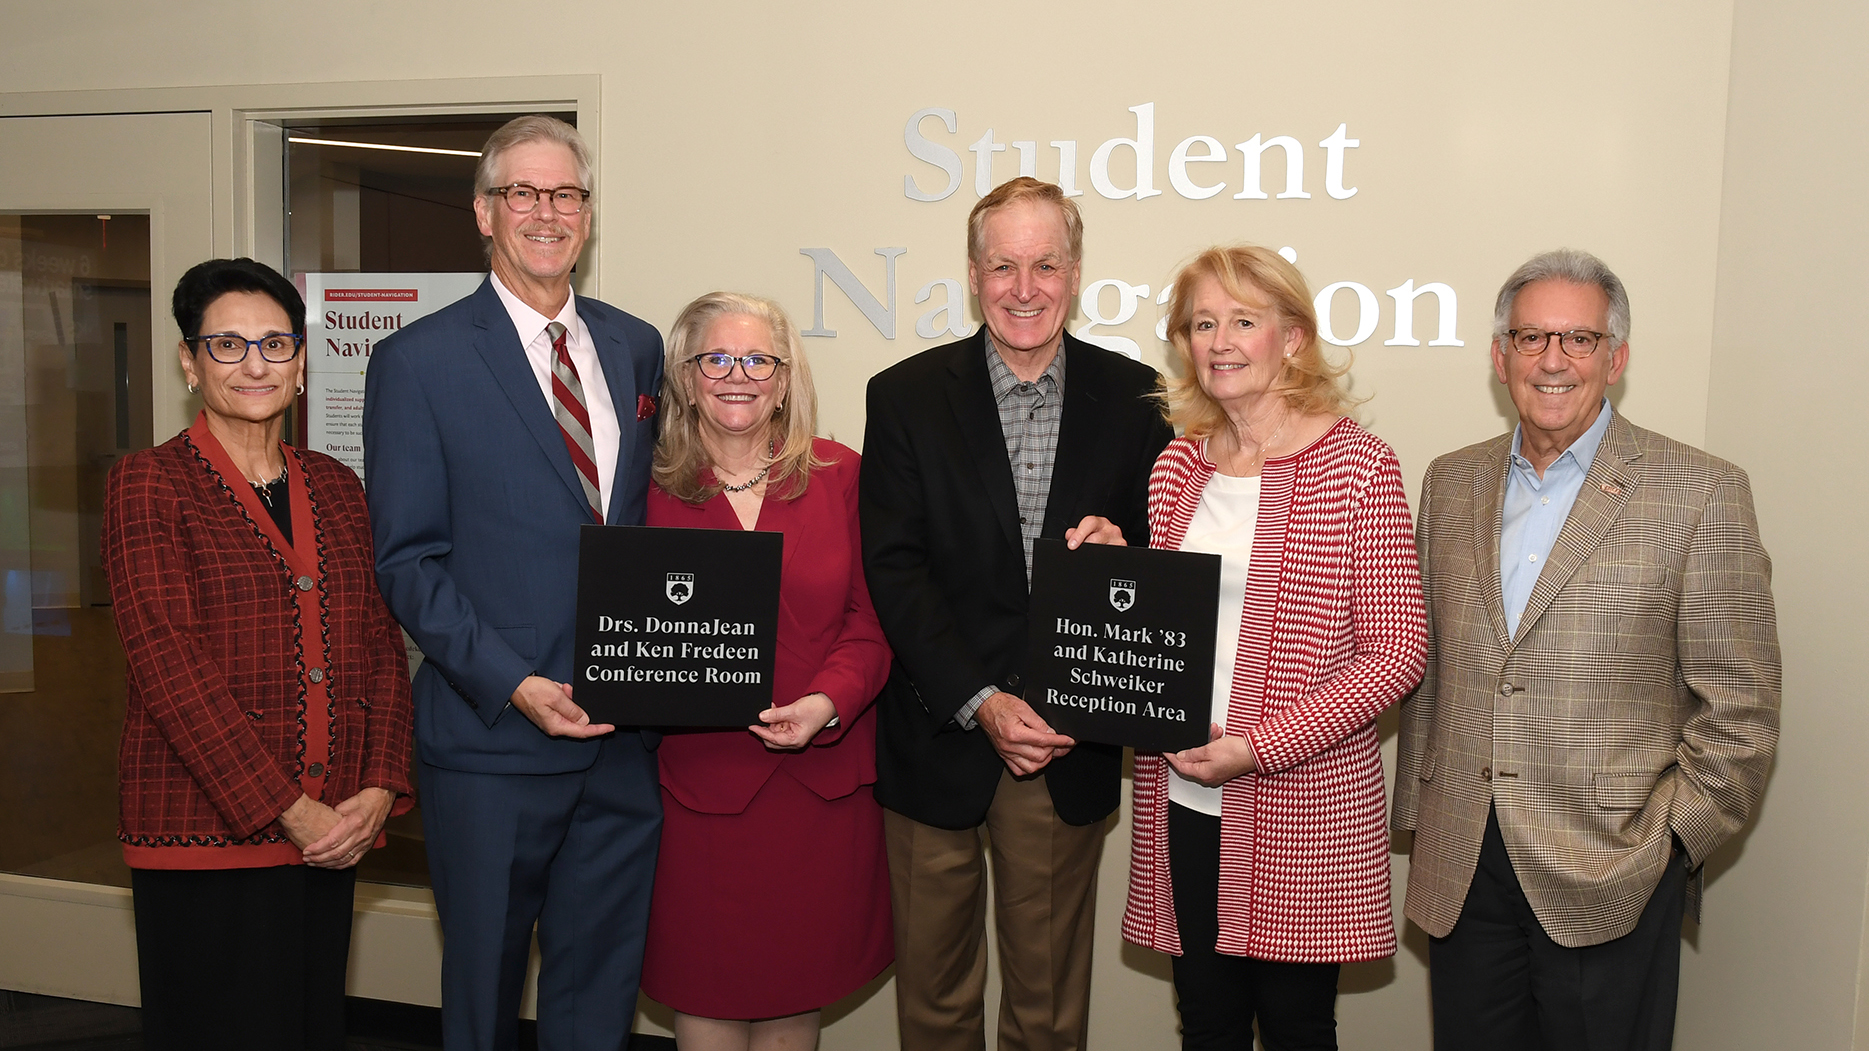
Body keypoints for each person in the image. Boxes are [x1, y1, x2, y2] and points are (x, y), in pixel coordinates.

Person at [1393, 249, 1781, 1050]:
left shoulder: (1700, 489)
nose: (1553, 360)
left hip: (1613, 867)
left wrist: (1670, 843)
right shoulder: (1449, 479)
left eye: (1577, 338)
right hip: (1464, 861)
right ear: (1500, 357)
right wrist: (1419, 818)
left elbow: (1740, 704)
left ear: (1616, 357)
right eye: (1531, 338)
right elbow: (1434, 674)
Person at [363, 115, 665, 1051]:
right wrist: (516, 684)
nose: (547, 212)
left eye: (565, 194)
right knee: (485, 997)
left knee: (599, 990)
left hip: (622, 743)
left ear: (587, 214)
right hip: (494, 740)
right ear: (484, 213)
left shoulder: (634, 346)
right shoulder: (418, 361)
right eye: (522, 194)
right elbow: (408, 560)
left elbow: (643, 527)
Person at [859, 176, 1175, 1051]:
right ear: (971, 273)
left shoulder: (1140, 398)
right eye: (1003, 265)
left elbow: (1165, 564)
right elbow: (894, 569)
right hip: (937, 738)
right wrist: (981, 700)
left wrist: (1131, 555)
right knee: (934, 1006)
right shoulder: (904, 396)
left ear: (1073, 273)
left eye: (1044, 264)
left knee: (1044, 1014)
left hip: (1063, 749)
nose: (1023, 287)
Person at [1119, 246, 1426, 1051]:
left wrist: (1256, 747)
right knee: (1207, 1024)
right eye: (1202, 323)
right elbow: (1168, 624)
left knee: (1295, 1028)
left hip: (1306, 807)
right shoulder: (1174, 467)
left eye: (1242, 322)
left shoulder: (1359, 466)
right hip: (1184, 795)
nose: (1218, 341)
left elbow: (1397, 651)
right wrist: (1107, 565)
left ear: (1290, 338)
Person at [104, 257, 414, 1051]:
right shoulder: (148, 483)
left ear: (301, 361)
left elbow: (381, 645)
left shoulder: (338, 485)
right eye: (228, 345)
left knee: (309, 1028)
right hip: (204, 836)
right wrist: (288, 808)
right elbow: (167, 665)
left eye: (275, 344)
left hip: (330, 832)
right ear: (189, 360)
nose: (254, 365)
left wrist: (379, 784)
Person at [638, 292, 893, 1050]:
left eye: (758, 360)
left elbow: (871, 622)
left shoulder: (841, 474)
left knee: (795, 1000)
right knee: (705, 994)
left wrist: (826, 700)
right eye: (715, 358)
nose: (737, 375)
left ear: (784, 379)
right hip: (698, 790)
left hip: (819, 786)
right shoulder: (642, 487)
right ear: (686, 377)